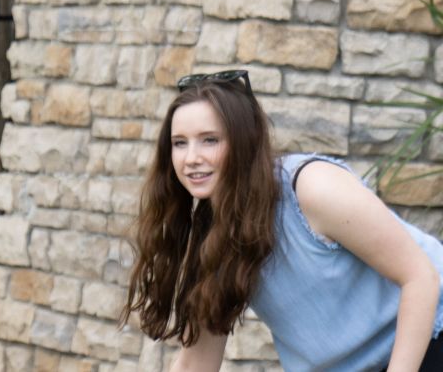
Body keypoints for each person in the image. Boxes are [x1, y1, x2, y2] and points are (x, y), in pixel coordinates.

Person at [122, 70, 443, 372]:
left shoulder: (311, 189)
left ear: (243, 141)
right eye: (180, 142)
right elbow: (198, 362)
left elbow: (421, 278)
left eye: (210, 140)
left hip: (428, 338)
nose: (192, 157)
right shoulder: (214, 238)